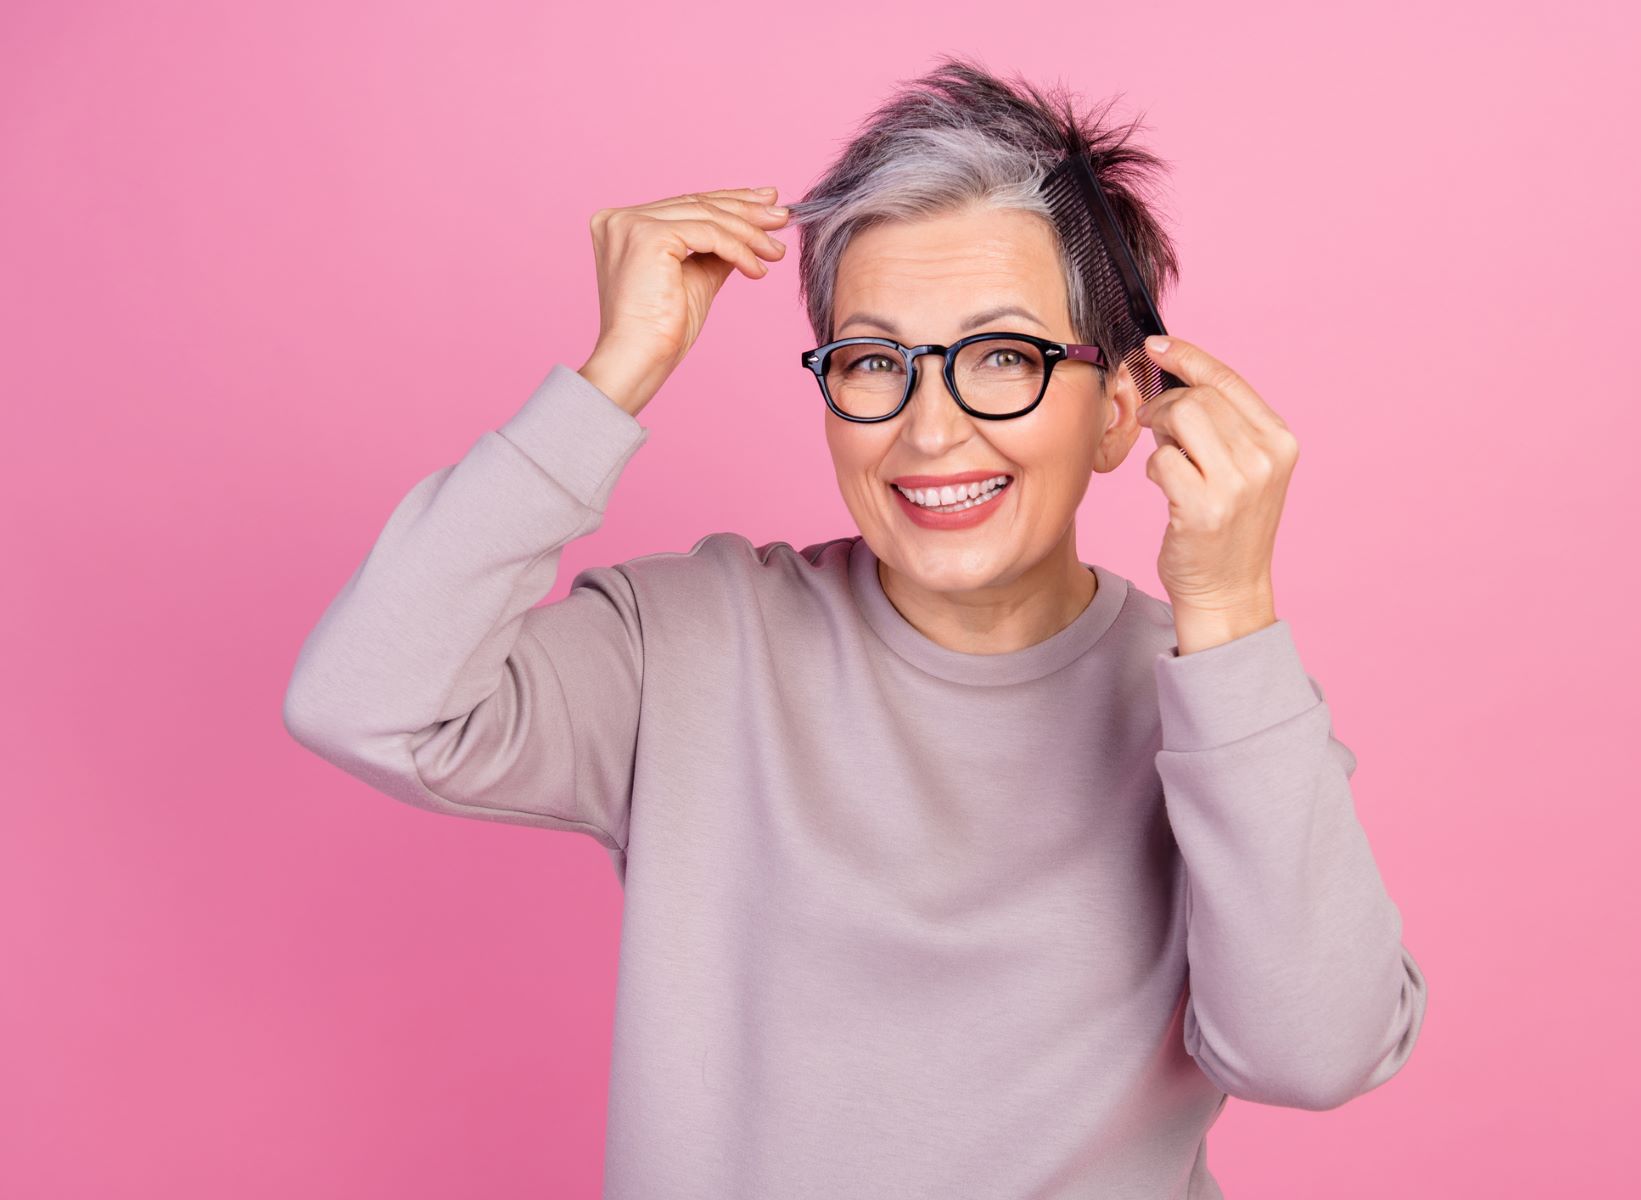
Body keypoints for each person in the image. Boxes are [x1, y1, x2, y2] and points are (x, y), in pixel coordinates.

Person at [283, 54, 1426, 1200]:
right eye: (875, 362)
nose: (929, 435)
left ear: (1121, 408)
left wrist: (1229, 617)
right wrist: (607, 382)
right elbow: (367, 702)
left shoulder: (1216, 705)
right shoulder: (691, 646)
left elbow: (1312, 1054)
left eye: (1001, 359)